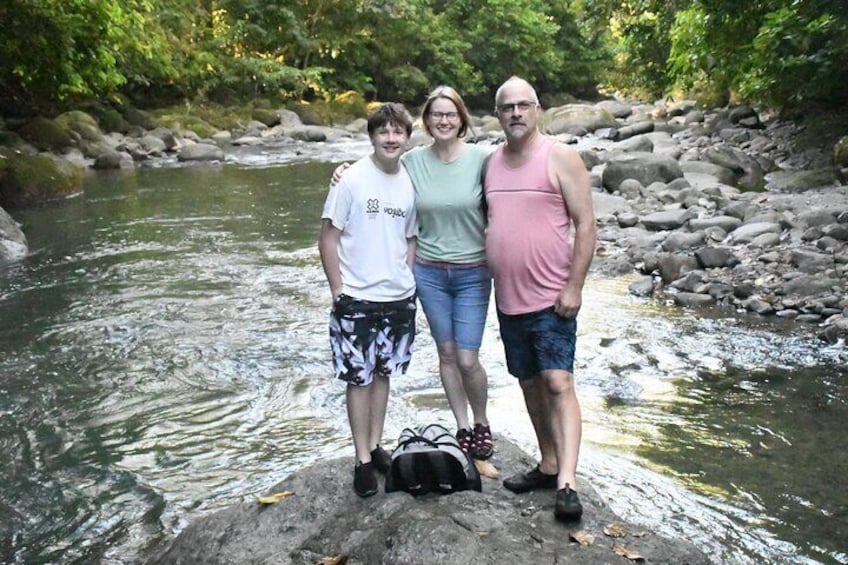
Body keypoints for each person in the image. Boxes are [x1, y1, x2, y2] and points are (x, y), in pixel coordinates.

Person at [334, 86, 495, 460]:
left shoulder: (483, 160)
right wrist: (342, 169)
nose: (443, 120)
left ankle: (482, 421)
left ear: (462, 119)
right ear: (427, 121)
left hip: (473, 271)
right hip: (429, 271)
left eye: (450, 114)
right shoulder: (412, 161)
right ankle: (462, 426)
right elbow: (379, 164)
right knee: (447, 353)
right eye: (437, 114)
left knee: (467, 358)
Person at [483, 76, 597, 521]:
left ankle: (567, 482)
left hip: (552, 297)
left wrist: (575, 286)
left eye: (523, 105)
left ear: (538, 109)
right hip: (509, 299)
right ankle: (548, 463)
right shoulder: (490, 163)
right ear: (498, 114)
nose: (515, 113)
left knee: (557, 382)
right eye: (507, 107)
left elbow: (586, 223)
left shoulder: (560, 156)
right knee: (529, 382)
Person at [319, 103, 419, 497]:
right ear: (372, 136)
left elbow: (410, 237)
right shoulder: (351, 179)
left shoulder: (410, 180)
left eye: (398, 132)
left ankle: (377, 445)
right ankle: (361, 458)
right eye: (383, 132)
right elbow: (328, 237)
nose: (391, 139)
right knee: (358, 379)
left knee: (383, 373)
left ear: (407, 138)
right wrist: (337, 289)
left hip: (398, 297)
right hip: (357, 297)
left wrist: (406, 276)